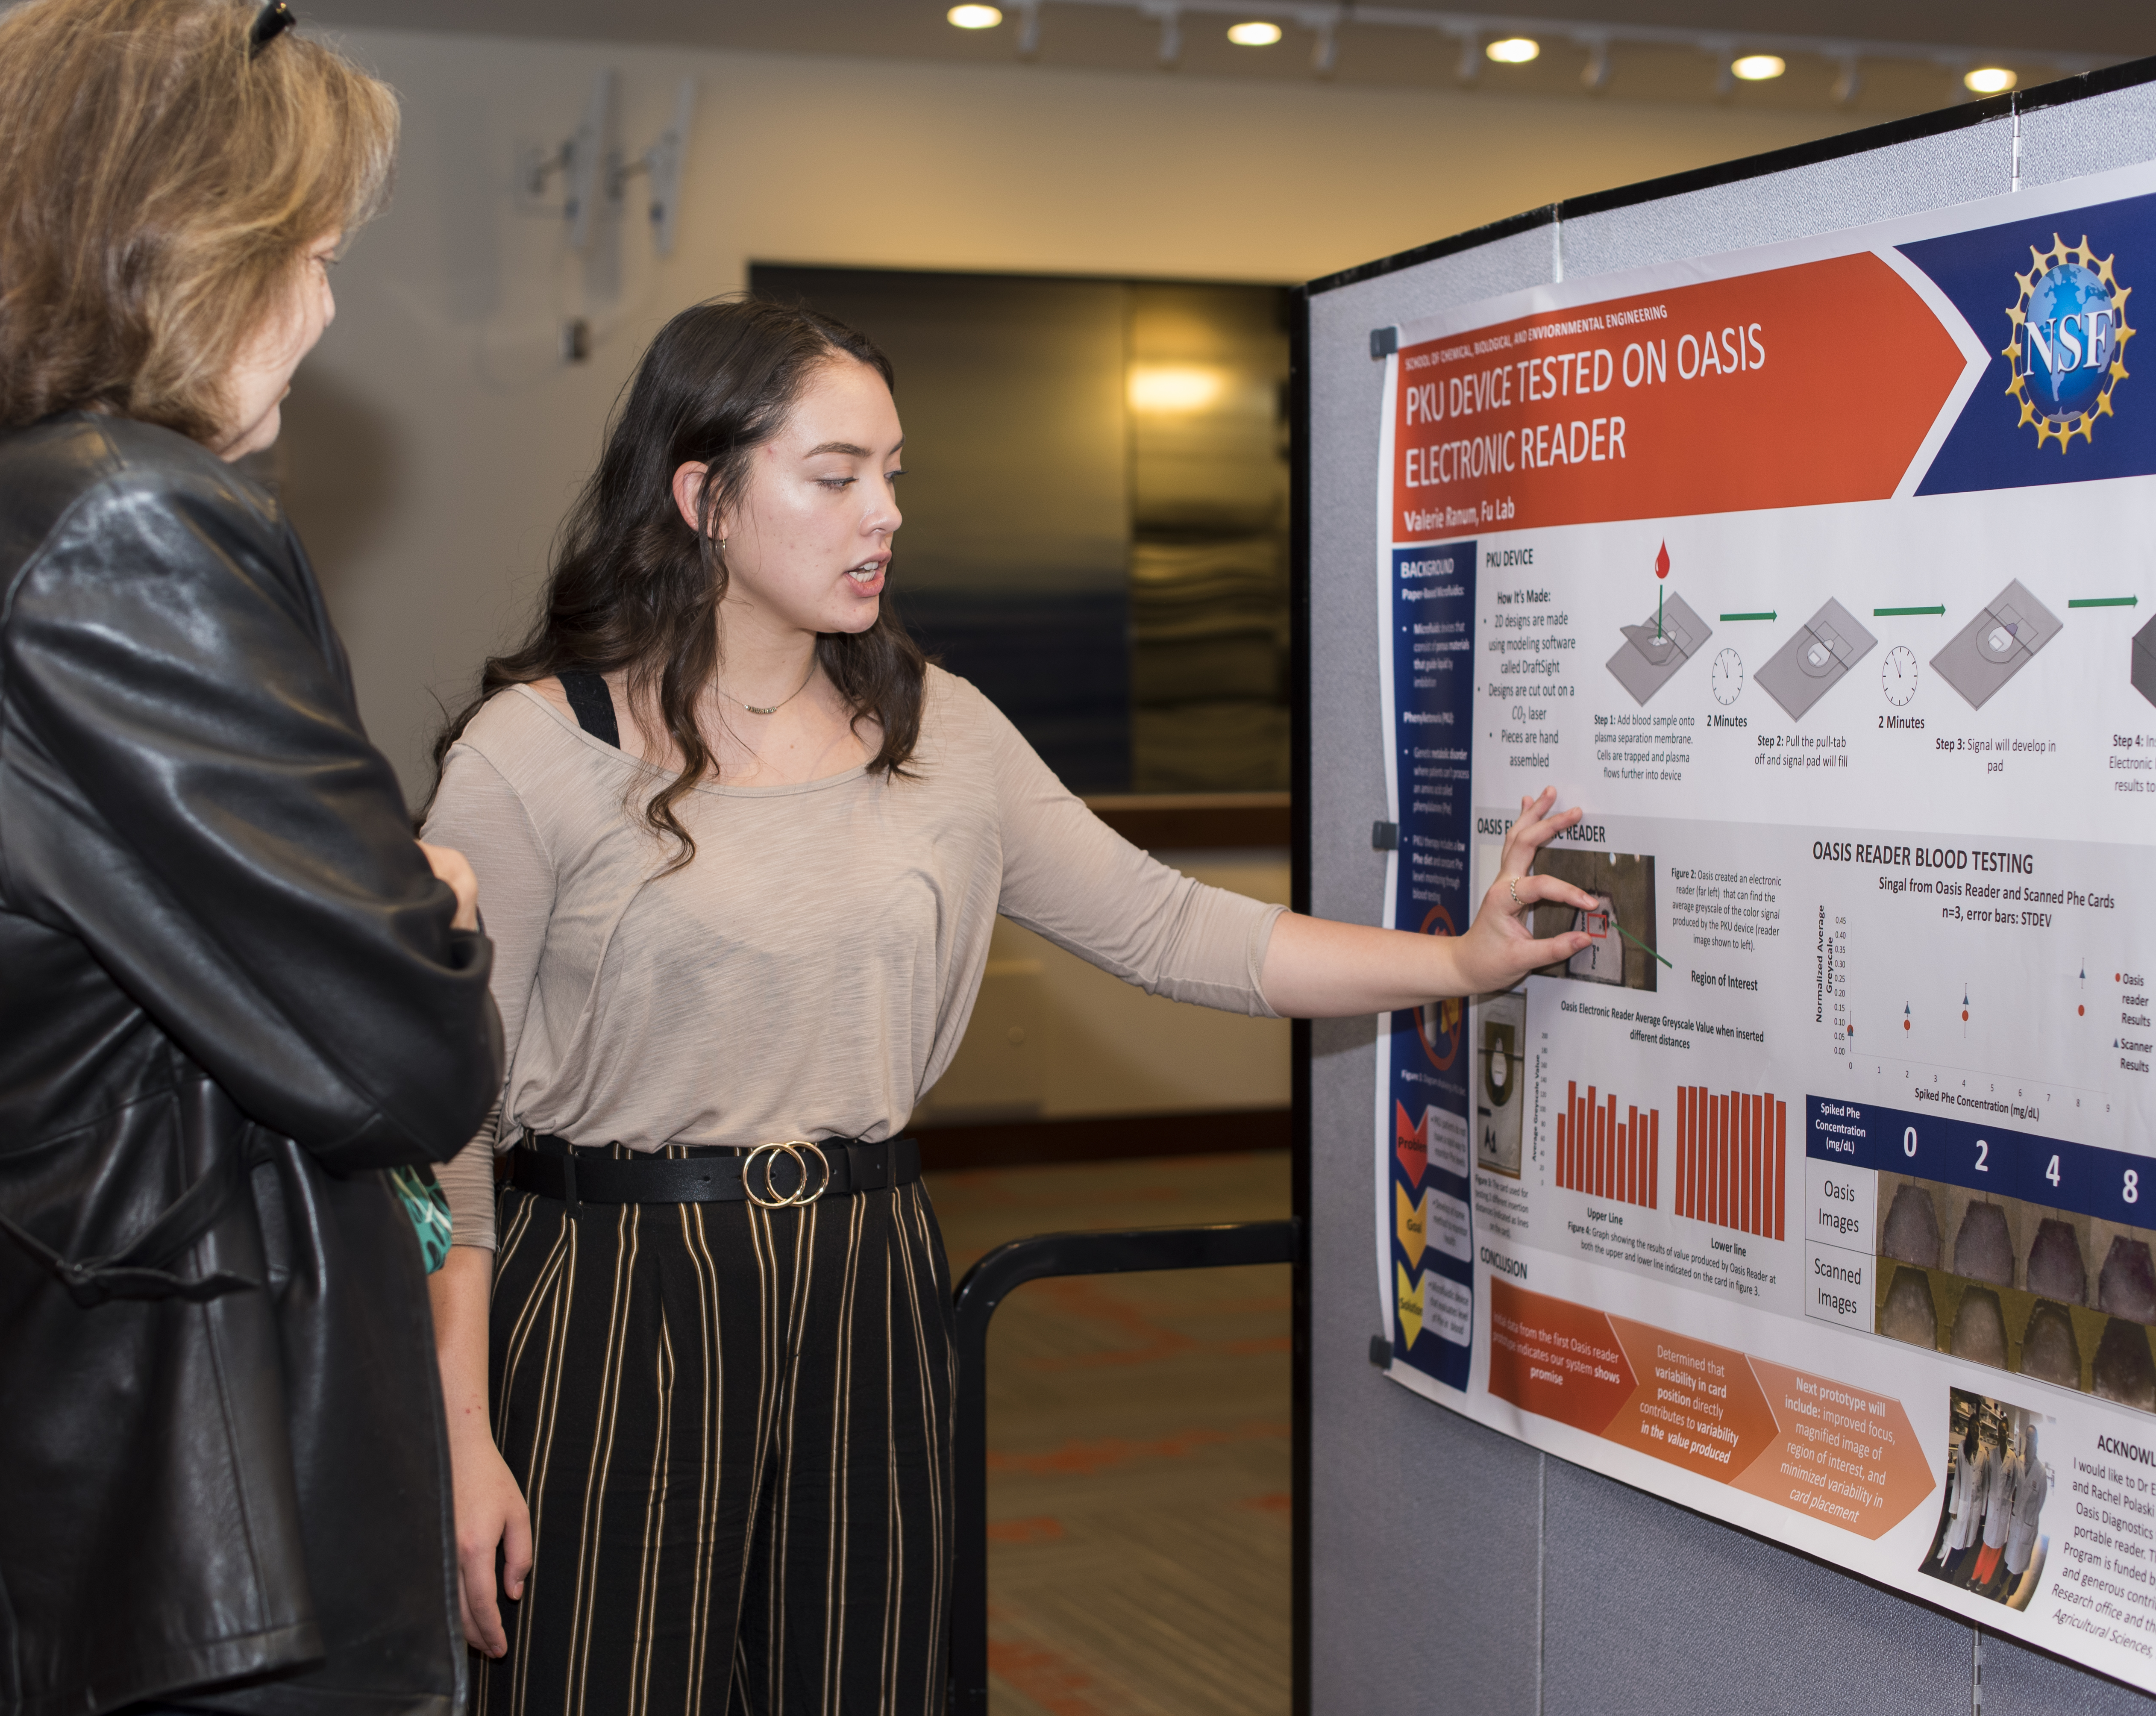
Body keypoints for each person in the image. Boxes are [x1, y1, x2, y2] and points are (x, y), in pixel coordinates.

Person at [418, 295, 1600, 1716]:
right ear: (704, 497)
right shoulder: (537, 751)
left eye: (895, 474)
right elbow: (448, 1132)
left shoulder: (939, 728)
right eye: (837, 475)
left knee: (868, 1683)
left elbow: (1172, 926)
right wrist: (461, 1429)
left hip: (867, 1274)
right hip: (613, 1286)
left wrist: (1456, 965)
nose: (884, 516)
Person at [0, 4, 501, 1714]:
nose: (325, 306)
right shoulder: (132, 520)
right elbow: (403, 1050)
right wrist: (441, 909)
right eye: (310, 254)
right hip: (202, 1467)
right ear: (189, 242)